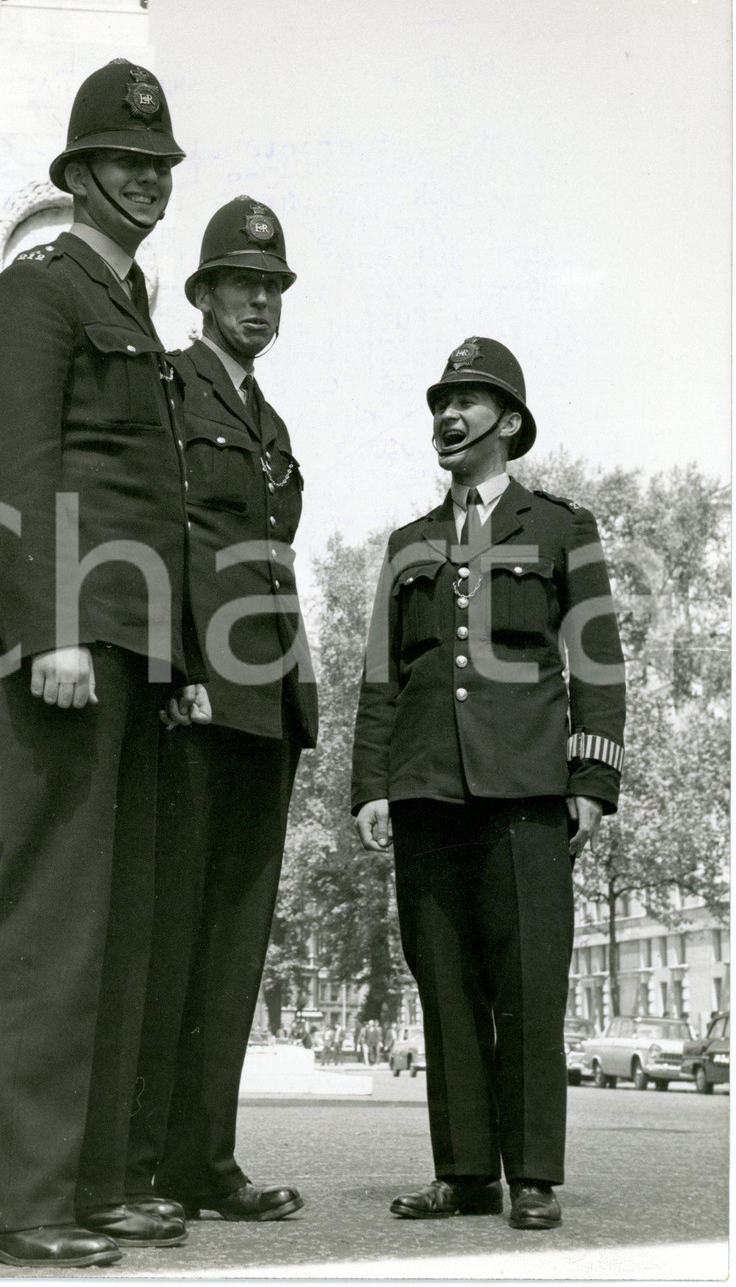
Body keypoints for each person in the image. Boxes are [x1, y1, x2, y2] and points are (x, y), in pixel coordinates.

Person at [0, 60, 207, 1269]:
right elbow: (8, 473)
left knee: (121, 929)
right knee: (54, 926)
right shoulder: (38, 294)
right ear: (77, 173)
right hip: (58, 647)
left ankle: (91, 1183)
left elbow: (159, 507)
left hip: (134, 655)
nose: (147, 181)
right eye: (125, 162)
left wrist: (185, 654)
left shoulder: (137, 311)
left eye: (160, 166)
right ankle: (11, 1203)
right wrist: (49, 626)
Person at [351, 337, 626, 1231]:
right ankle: (465, 1171)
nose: (448, 415)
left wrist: (590, 777)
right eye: (440, 401)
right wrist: (371, 788)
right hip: (427, 787)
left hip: (528, 789)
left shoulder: (560, 528)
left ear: (508, 422)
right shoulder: (407, 544)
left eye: (467, 401)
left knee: (529, 981)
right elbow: (381, 677)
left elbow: (597, 660)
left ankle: (533, 1174)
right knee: (447, 985)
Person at [125, 198, 317, 1224]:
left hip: (266, 707)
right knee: (173, 932)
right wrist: (177, 665)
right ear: (200, 293)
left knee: (236, 943)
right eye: (241, 282)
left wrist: (300, 704)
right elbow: (162, 536)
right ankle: (143, 1160)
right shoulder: (170, 385)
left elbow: (272, 567)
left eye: (272, 286)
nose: (258, 300)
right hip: (199, 697)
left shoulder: (269, 420)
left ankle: (205, 1158)